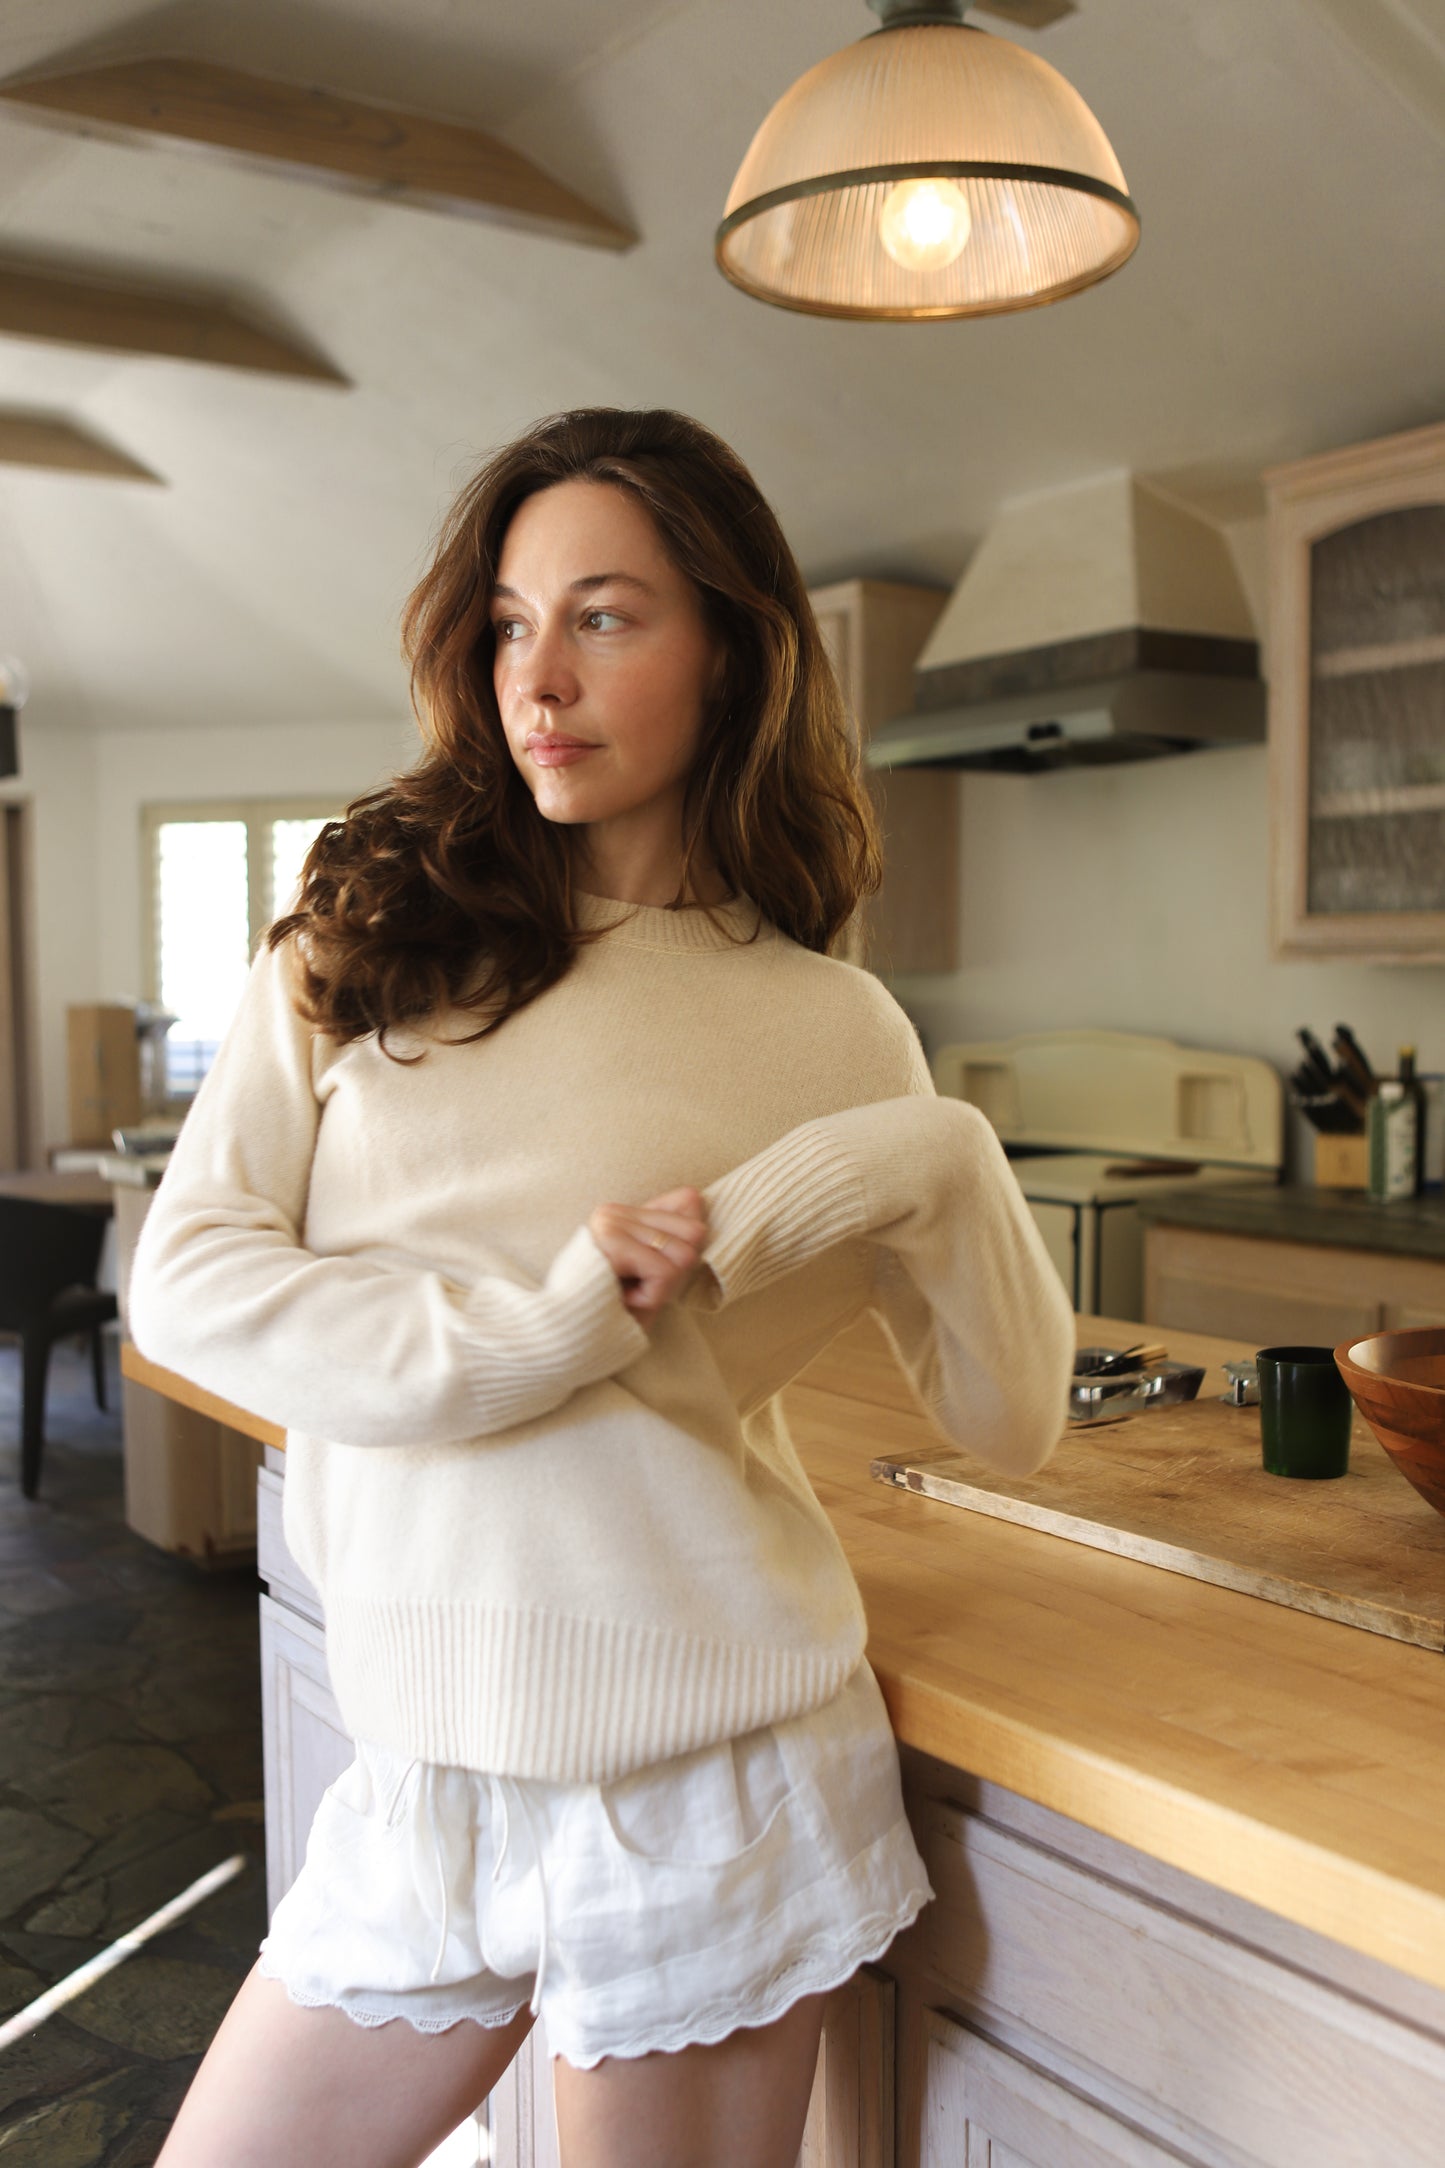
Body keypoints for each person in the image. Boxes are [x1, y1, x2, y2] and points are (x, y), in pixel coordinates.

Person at [133, 406, 1074, 2168]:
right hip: (424, 1764)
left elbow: (1006, 1419)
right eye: (507, 621)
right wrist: (537, 1332)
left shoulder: (831, 1021)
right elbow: (185, 1290)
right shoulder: (363, 933)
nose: (537, 677)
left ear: (731, 654)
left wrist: (947, 1156)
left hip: (714, 1772)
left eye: (606, 616)